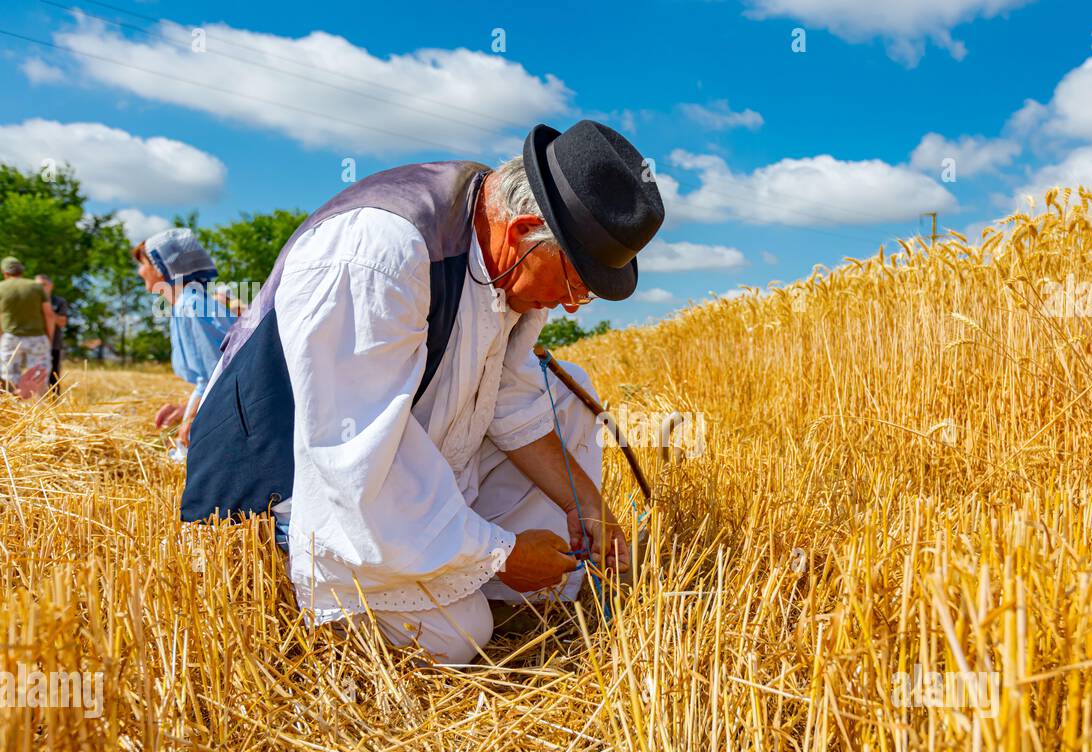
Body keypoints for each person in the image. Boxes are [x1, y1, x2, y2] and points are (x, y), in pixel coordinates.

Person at [182, 120, 664, 666]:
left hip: (385, 457)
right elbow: (356, 457)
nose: (573, 305)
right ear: (525, 227)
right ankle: (308, 574)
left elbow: (512, 401)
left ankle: (473, 578)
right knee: (458, 636)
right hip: (290, 482)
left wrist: (589, 508)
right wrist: (501, 556)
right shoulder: (379, 253)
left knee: (567, 395)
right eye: (576, 283)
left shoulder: (501, 247)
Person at [133, 229, 234, 448]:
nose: (140, 271)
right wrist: (185, 410)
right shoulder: (190, 304)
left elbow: (216, 373)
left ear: (161, 268)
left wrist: (192, 419)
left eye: (143, 263)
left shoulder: (191, 306)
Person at [0, 257, 58, 395]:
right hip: (37, 337)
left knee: (8, 376)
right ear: (21, 271)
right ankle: (40, 411)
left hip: (10, 338)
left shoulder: (1, 287)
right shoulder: (36, 287)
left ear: (5, 272)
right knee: (39, 376)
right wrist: (49, 337)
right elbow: (49, 315)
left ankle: (11, 409)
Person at [34, 275, 68, 395]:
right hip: (34, 345)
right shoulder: (30, 302)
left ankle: (54, 405)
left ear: (51, 286)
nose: (40, 288)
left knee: (53, 375)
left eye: (43, 285)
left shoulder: (58, 302)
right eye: (37, 285)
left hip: (54, 344)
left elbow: (62, 322)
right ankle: (35, 406)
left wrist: (48, 312)